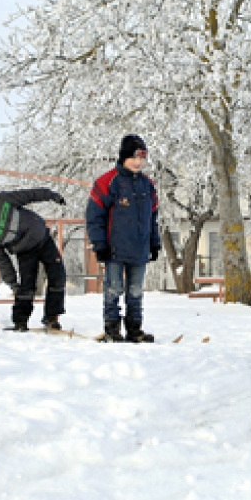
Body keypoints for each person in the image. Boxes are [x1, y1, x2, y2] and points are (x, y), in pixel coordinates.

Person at [0, 188, 68, 331]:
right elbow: (3, 262)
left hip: (42, 238)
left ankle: (52, 318)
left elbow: (29, 195)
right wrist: (13, 284)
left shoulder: (1, 202)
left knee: (58, 276)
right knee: (26, 285)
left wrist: (51, 195)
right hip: (24, 251)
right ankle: (20, 321)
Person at [85, 134, 162, 343]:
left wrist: (154, 242)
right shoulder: (107, 182)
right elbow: (94, 217)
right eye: (134, 157)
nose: (138, 162)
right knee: (113, 289)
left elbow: (153, 217)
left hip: (139, 249)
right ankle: (112, 329)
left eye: (142, 158)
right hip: (114, 249)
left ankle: (134, 330)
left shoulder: (148, 185)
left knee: (136, 291)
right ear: (123, 157)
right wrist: (99, 244)